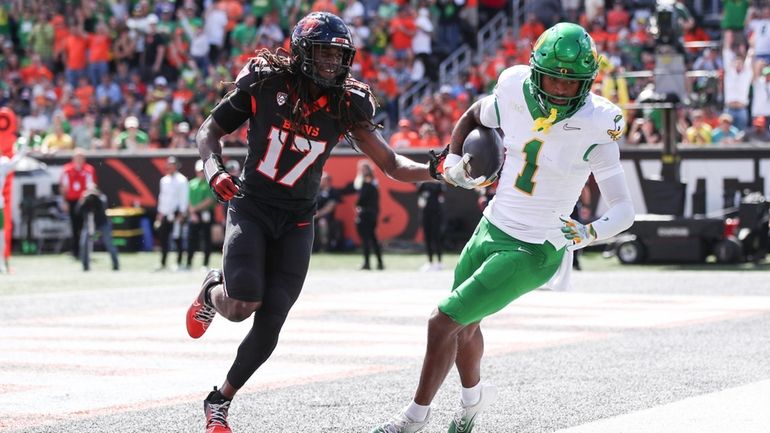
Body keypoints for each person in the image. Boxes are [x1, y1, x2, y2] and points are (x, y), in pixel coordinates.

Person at [371, 22, 635, 433]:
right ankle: (473, 403)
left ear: (589, 82)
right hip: (492, 223)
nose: (562, 90)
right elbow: (476, 112)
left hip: (535, 248)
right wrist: (453, 157)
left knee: (442, 322)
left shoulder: (600, 121)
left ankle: (413, 419)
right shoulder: (513, 86)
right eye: (553, 79)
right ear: (535, 71)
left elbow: (624, 210)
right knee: (464, 325)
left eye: (572, 83)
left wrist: (590, 233)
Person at [184, 12, 437, 433]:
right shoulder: (266, 81)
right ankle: (212, 292)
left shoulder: (346, 102)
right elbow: (209, 129)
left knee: (272, 321)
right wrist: (214, 170)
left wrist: (440, 167)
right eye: (321, 53)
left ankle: (219, 401)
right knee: (242, 305)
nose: (329, 64)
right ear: (301, 51)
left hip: (298, 219)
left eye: (338, 56)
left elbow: (392, 164)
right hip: (253, 205)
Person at [60, 149, 97, 260]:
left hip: (84, 201)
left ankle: (85, 250)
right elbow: (63, 187)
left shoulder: (89, 169)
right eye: (77, 157)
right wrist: (64, 201)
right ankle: (75, 251)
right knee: (74, 227)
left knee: (85, 227)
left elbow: (91, 185)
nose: (79, 160)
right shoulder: (67, 169)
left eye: (81, 157)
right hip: (72, 201)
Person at [154, 156, 188, 271]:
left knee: (177, 238)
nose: (171, 167)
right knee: (163, 238)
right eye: (169, 165)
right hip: (165, 213)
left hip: (176, 213)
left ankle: (179, 263)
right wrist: (160, 212)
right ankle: (163, 263)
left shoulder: (182, 180)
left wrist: (182, 213)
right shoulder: (164, 180)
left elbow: (183, 197)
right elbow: (162, 197)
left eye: (173, 165)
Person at [78, 184, 120, 272]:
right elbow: (78, 211)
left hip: (103, 224)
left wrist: (96, 197)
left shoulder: (102, 198)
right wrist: (83, 200)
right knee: (84, 243)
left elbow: (101, 208)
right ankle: (85, 266)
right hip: (89, 224)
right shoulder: (85, 199)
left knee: (109, 243)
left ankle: (116, 265)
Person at [0, 142, 27, 274]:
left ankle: (1, 263)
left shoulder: (3, 163)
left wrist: (21, 150)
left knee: (1, 236)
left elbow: (15, 162)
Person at [353, 159, 384, 270]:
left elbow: (361, 200)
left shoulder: (367, 184)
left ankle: (367, 263)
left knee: (366, 239)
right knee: (373, 238)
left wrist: (357, 205)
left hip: (366, 214)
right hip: (372, 214)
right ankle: (379, 263)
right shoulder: (374, 183)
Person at [187, 160, 216, 270]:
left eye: (203, 171)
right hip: (194, 214)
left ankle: (205, 264)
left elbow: (209, 200)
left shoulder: (210, 183)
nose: (201, 173)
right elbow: (189, 199)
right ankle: (189, 263)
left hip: (206, 213)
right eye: (199, 171)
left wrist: (194, 209)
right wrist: (192, 212)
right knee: (191, 239)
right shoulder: (192, 183)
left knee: (206, 239)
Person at [417, 181, 445, 271]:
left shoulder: (438, 184)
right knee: (427, 238)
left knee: (437, 238)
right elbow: (419, 193)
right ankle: (430, 262)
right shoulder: (423, 184)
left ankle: (439, 262)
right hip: (426, 214)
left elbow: (442, 192)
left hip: (436, 214)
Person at [314, 172, 341, 252]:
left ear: (328, 181)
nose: (320, 181)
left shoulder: (333, 192)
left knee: (322, 223)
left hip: (327, 217)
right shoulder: (317, 191)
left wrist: (317, 214)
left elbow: (329, 207)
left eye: (322, 180)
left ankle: (324, 245)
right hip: (315, 215)